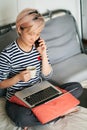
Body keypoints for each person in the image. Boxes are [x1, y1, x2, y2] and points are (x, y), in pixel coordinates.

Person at [0, 8, 83, 130]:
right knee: (21, 118)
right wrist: (18, 78)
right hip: (17, 98)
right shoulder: (7, 54)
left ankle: (44, 114)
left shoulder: (38, 47)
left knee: (76, 88)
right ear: (19, 29)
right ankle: (58, 112)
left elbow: (48, 76)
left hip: (41, 91)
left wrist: (43, 54)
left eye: (38, 33)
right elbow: (1, 84)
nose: (34, 38)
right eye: (31, 33)